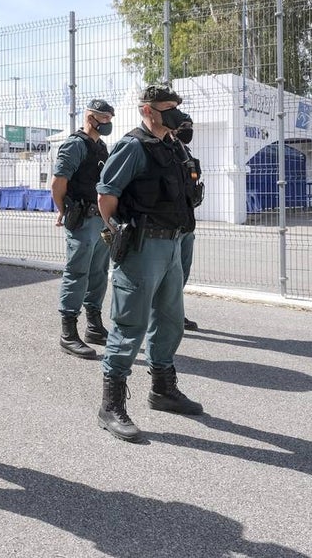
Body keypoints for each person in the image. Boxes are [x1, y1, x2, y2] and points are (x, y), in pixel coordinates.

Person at [95, 84, 204, 443]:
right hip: (143, 247)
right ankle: (111, 404)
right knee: (130, 324)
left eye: (175, 106)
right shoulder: (133, 145)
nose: (174, 112)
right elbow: (106, 196)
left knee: (170, 320)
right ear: (147, 110)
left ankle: (162, 388)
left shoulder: (172, 146)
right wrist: (119, 234)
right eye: (166, 107)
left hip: (173, 245)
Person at [50, 98, 114, 359]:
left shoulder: (101, 146)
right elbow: (58, 183)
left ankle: (94, 326)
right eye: (104, 118)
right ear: (90, 117)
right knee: (77, 273)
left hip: (99, 219)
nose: (108, 123)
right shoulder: (75, 145)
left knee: (98, 272)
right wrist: (63, 210)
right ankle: (68, 333)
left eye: (110, 119)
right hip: (82, 219)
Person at [175, 115, 201, 332]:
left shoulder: (186, 153)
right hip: (171, 225)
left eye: (190, 127)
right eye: (184, 127)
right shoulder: (167, 150)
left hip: (187, 222)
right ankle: (163, 315)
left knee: (183, 271)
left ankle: (175, 312)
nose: (188, 130)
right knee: (169, 274)